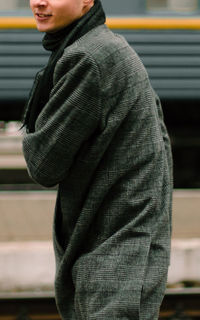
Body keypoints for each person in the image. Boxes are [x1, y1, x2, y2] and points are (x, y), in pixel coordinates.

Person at [22, 0, 173, 318]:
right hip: (120, 245)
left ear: (87, 1)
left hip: (115, 254)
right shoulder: (102, 46)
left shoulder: (89, 57)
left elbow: (43, 164)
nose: (38, 1)